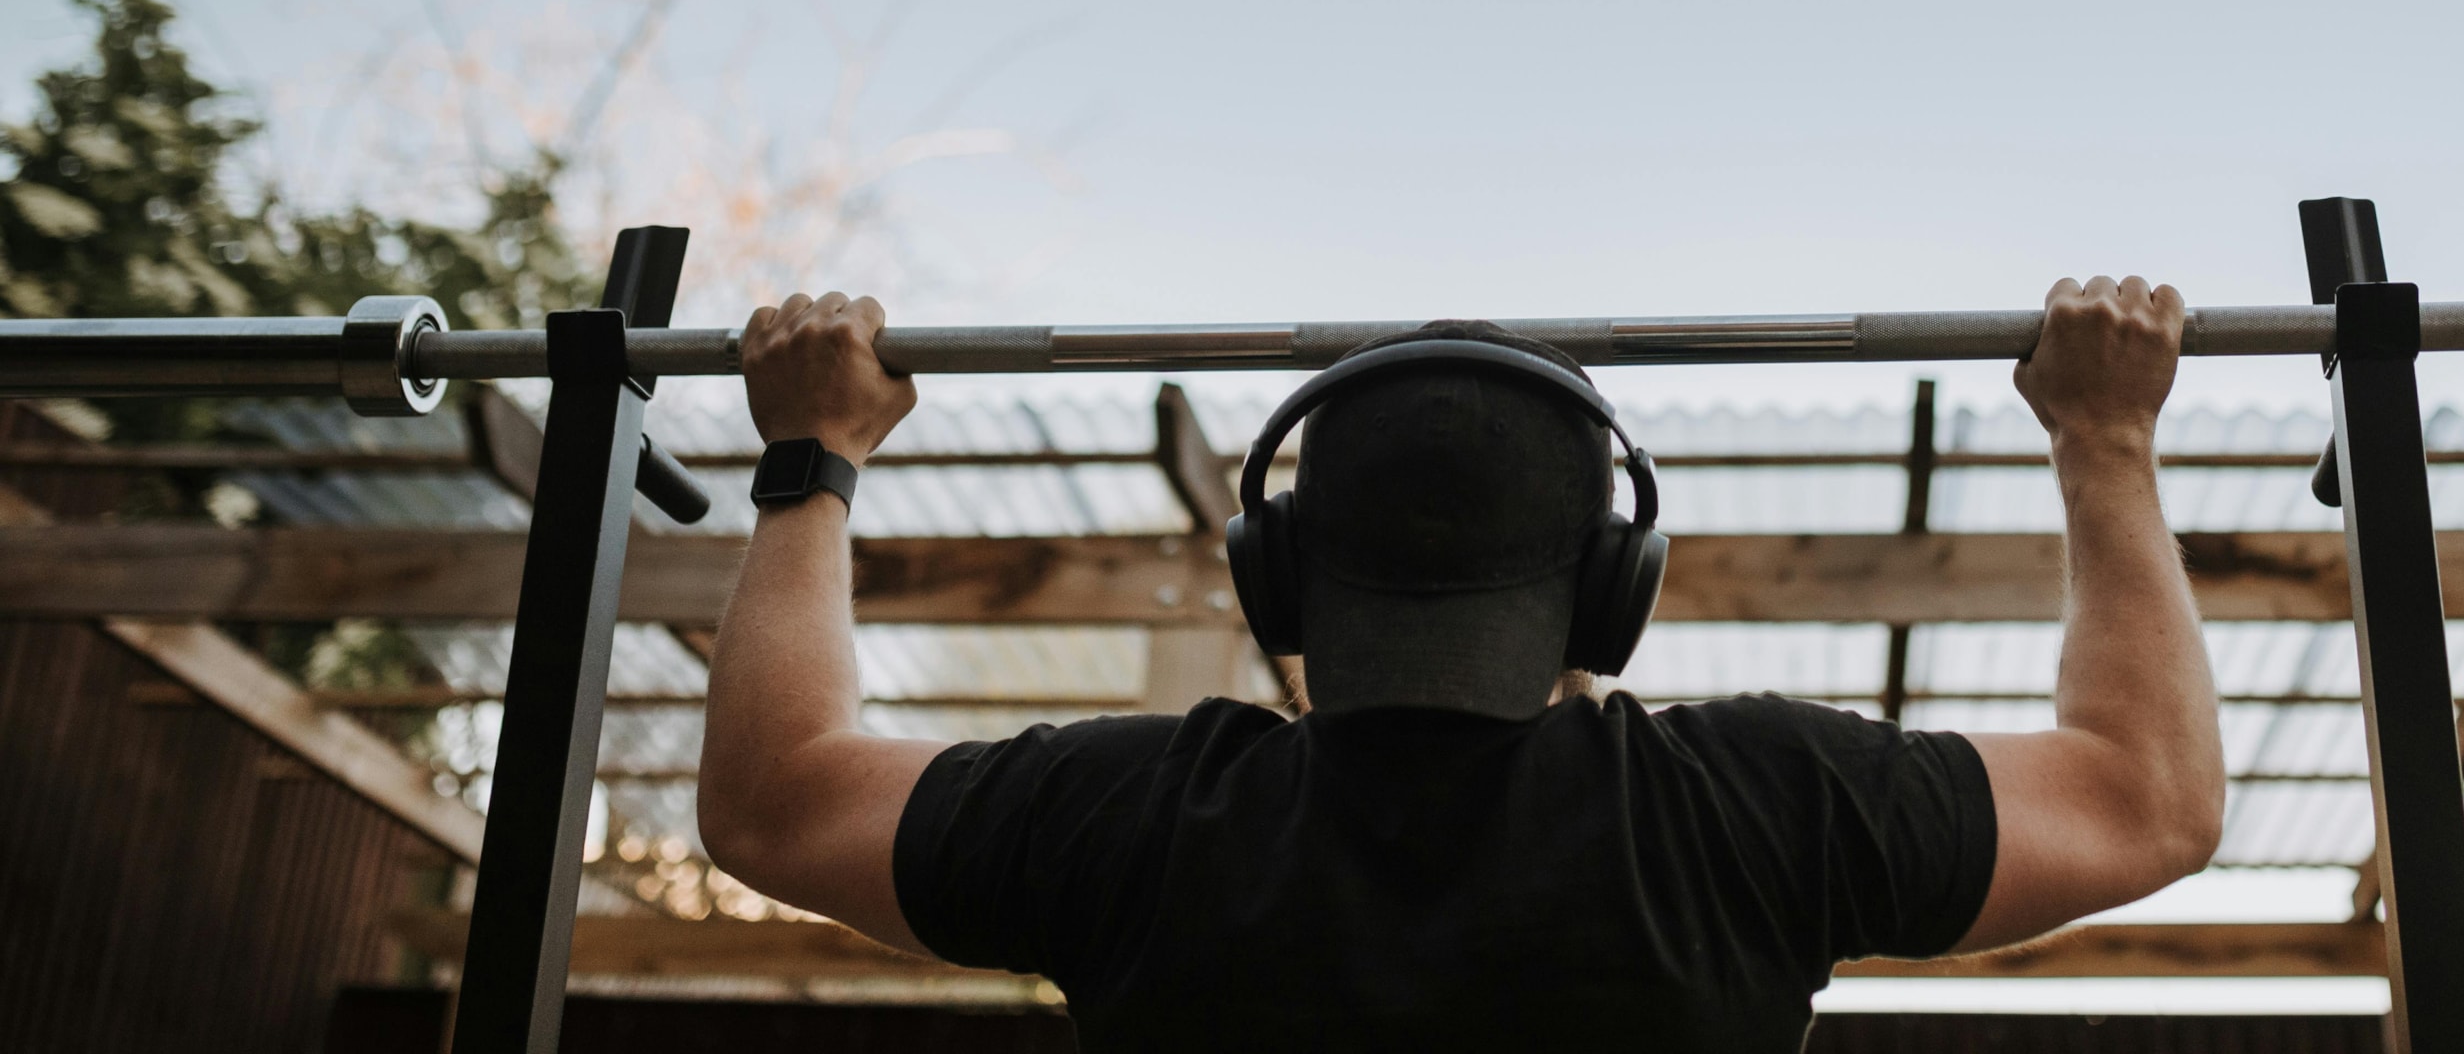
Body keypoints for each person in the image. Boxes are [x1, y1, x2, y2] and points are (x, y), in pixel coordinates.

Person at [699, 276, 2223, 1050]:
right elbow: (2147, 800)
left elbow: (773, 801)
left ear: (1276, 577)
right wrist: (2104, 438)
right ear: (1612, 592)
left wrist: (809, 458)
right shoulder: (1753, 808)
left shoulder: (1138, 822)